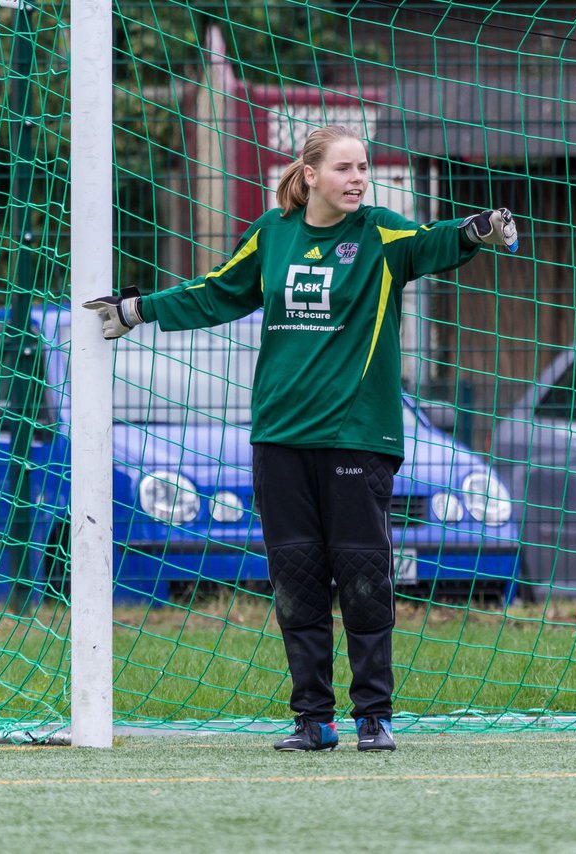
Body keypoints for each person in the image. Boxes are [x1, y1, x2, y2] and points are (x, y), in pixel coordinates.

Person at [84, 125, 518, 752]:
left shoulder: (380, 233)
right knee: (296, 578)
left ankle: (375, 715)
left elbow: (436, 244)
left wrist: (478, 230)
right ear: (310, 174)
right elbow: (218, 293)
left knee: (364, 575)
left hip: (356, 437)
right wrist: (139, 309)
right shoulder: (273, 234)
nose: (358, 179)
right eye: (344, 168)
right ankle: (312, 719)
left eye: (363, 168)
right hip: (280, 438)